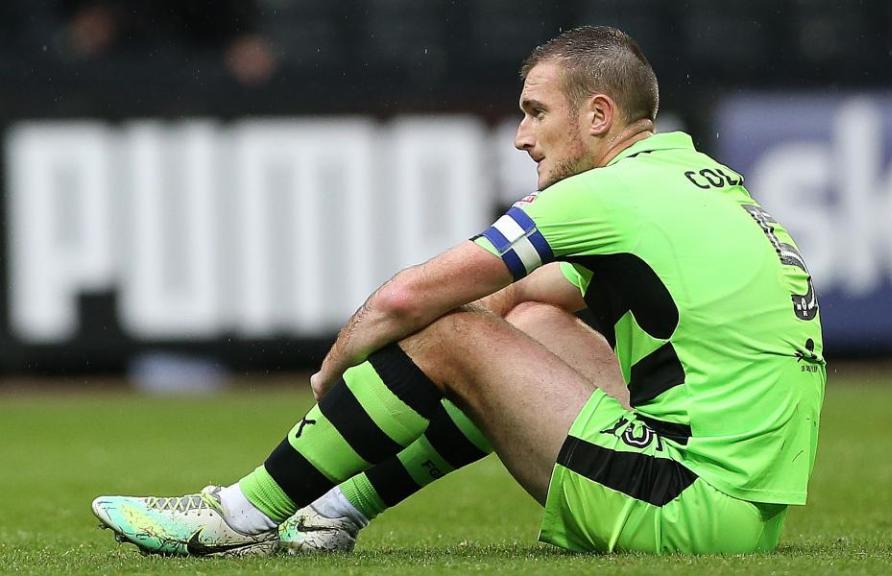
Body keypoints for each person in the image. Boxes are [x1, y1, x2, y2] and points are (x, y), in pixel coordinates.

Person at [92, 25, 825, 556]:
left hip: (688, 509)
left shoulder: (610, 196)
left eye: (537, 111)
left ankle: (239, 515)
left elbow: (409, 302)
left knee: (449, 329)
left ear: (598, 116)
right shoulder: (699, 186)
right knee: (528, 321)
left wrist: (338, 373)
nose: (520, 136)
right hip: (746, 515)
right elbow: (527, 299)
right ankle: (330, 513)